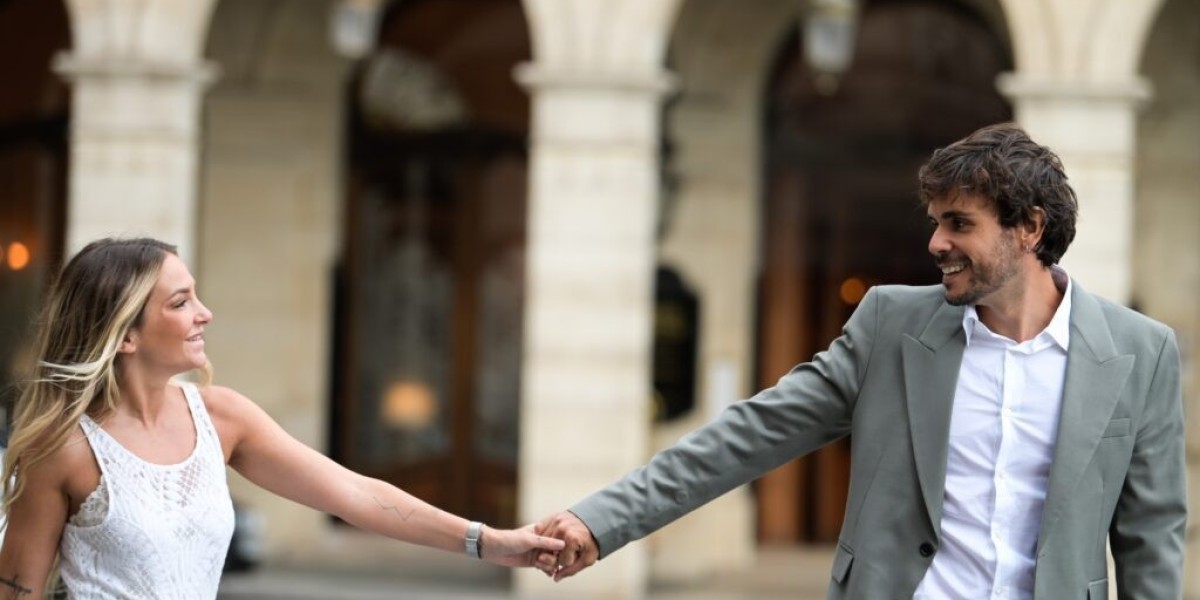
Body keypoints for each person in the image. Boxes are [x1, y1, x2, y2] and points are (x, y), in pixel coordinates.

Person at [535, 123, 1187, 599]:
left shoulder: (1139, 351)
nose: (936, 242)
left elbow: (1151, 537)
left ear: (1031, 228)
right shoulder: (892, 325)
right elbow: (750, 435)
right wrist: (603, 519)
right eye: (935, 222)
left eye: (960, 224)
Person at [0, 238, 564, 599]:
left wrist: (489, 542)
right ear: (124, 335)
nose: (205, 314)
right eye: (180, 302)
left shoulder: (222, 418)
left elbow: (354, 493)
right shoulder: (66, 448)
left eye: (196, 295)